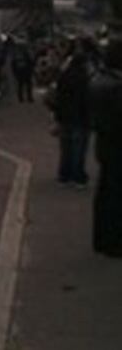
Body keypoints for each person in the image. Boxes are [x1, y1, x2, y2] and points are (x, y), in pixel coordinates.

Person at [89, 36, 122, 257]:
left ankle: (102, 239)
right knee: (115, 196)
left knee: (106, 193)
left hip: (106, 142)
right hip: (117, 143)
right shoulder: (116, 86)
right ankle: (114, 241)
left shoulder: (100, 79)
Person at [53, 41, 91, 188]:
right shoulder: (85, 78)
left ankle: (64, 175)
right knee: (79, 149)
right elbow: (86, 99)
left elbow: (58, 97)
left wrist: (57, 116)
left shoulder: (64, 76)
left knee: (66, 148)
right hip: (80, 117)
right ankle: (78, 176)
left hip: (65, 116)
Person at [12, 39, 36, 103]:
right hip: (25, 70)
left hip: (21, 70)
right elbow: (32, 61)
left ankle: (22, 98)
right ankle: (28, 97)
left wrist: (15, 71)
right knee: (26, 84)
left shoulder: (16, 53)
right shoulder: (25, 52)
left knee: (22, 84)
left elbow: (13, 63)